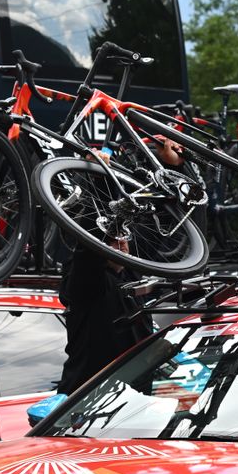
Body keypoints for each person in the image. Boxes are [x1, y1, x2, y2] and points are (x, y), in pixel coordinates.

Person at [55, 137, 185, 394]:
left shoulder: (132, 276)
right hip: (85, 404)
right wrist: (99, 179)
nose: (122, 243)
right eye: (113, 240)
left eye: (125, 237)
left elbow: (164, 228)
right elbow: (90, 242)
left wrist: (175, 169)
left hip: (130, 405)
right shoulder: (88, 287)